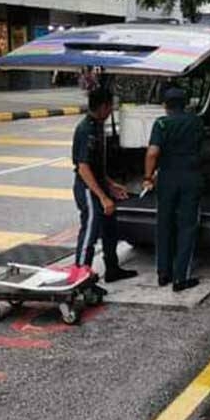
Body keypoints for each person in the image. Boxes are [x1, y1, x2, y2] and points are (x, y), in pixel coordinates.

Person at [71, 88, 137, 283]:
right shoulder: (86, 130)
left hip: (99, 185)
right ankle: (81, 277)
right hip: (88, 189)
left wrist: (111, 184)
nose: (111, 112)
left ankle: (112, 268)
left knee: (110, 229)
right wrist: (103, 196)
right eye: (110, 107)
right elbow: (83, 168)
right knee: (89, 233)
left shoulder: (98, 126)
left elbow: (96, 166)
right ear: (103, 107)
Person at [143, 87, 204, 292]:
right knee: (187, 226)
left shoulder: (161, 123)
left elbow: (152, 153)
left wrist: (148, 177)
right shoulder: (195, 121)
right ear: (185, 104)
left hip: (167, 177)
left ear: (165, 106)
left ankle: (163, 273)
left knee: (164, 223)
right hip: (190, 177)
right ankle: (180, 278)